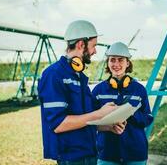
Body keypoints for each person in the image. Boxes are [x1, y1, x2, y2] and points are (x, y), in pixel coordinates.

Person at [38, 20, 118, 165]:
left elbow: (84, 119)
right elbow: (58, 124)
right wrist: (100, 113)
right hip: (72, 158)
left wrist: (107, 126)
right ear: (81, 44)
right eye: (93, 46)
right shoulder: (54, 75)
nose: (95, 51)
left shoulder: (79, 76)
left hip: (89, 153)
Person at [92, 42, 154, 165]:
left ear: (128, 63)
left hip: (135, 153)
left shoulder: (139, 90)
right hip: (107, 154)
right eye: (112, 60)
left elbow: (148, 118)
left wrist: (129, 112)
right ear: (108, 63)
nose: (116, 64)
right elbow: (90, 121)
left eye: (120, 60)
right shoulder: (98, 90)